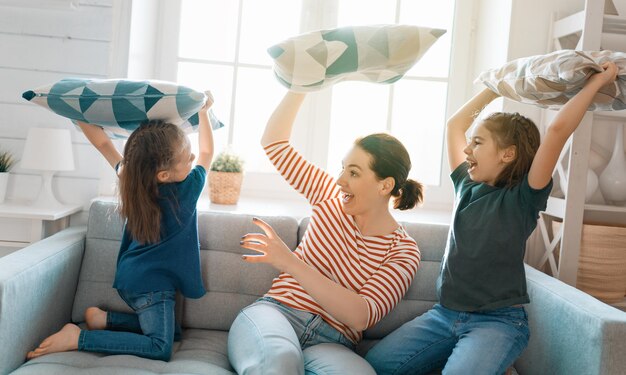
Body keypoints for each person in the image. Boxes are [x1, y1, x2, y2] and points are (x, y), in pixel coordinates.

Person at [365, 62, 619, 375]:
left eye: (478, 142)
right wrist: (495, 85)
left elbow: (557, 131)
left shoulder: (524, 197)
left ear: (507, 154)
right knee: (372, 366)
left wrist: (596, 83)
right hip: (444, 316)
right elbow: (454, 126)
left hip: (497, 323)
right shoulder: (464, 185)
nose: (467, 148)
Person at [227, 91, 424, 375]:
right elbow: (274, 143)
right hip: (276, 314)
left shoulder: (403, 250)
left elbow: (360, 315)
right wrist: (301, 84)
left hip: (334, 343)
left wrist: (289, 262)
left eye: (354, 173)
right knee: (281, 361)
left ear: (385, 185)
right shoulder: (327, 196)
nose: (340, 180)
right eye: (342, 169)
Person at [26, 93, 216, 361]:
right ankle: (78, 338)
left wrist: (74, 111)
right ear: (164, 174)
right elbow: (208, 152)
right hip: (153, 287)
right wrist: (205, 112)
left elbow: (103, 143)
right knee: (160, 346)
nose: (194, 156)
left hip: (132, 279)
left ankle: (105, 319)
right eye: (187, 157)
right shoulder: (186, 191)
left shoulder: (131, 180)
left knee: (172, 333)